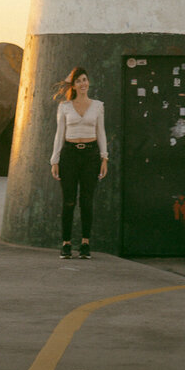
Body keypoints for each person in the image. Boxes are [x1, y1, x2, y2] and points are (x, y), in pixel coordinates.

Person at [50, 65, 108, 258]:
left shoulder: (98, 106)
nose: (83, 84)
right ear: (73, 86)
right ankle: (66, 243)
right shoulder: (64, 107)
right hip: (69, 155)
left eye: (84, 79)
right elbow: (60, 134)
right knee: (68, 201)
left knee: (87, 201)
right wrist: (55, 160)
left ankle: (85, 243)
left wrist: (104, 157)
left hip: (91, 155)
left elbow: (101, 132)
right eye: (78, 81)